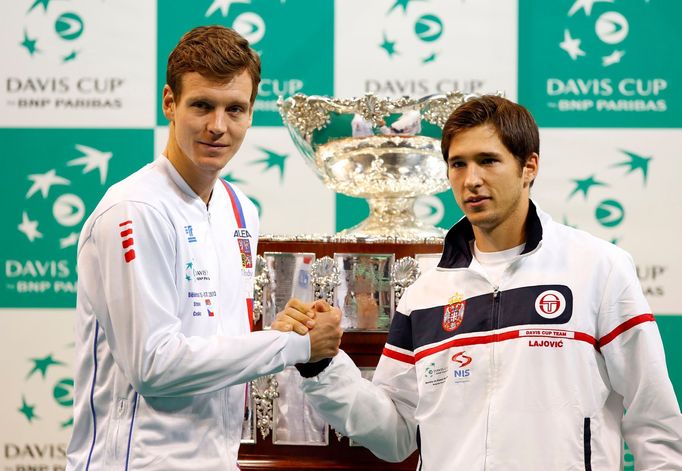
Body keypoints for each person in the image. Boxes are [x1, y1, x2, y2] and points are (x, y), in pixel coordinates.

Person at [278, 95, 682, 469]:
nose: (471, 179)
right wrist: (323, 367)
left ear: (529, 167)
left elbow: (654, 417)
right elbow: (395, 434)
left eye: (488, 161)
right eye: (458, 163)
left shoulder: (598, 267)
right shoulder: (424, 294)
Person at [66, 25, 342, 471]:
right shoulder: (135, 208)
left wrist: (283, 332)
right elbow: (154, 366)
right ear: (169, 103)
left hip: (217, 459)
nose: (218, 126)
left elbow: (214, 344)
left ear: (252, 113)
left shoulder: (241, 209)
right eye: (202, 106)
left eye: (235, 109)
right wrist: (292, 347)